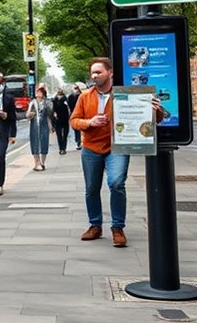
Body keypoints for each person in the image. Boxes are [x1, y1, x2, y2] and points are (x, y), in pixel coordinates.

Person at [70, 58, 165, 248]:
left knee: (116, 183)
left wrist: (156, 109)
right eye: (93, 72)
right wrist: (89, 122)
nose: (94, 75)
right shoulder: (85, 96)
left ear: (110, 73)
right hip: (91, 148)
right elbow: (74, 121)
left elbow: (156, 119)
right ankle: (95, 225)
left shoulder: (125, 94)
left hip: (117, 147)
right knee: (91, 188)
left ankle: (117, 228)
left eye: (98, 72)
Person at [27, 85, 53, 171]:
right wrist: (30, 114)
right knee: (35, 143)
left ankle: (42, 163)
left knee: (44, 143)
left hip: (44, 125)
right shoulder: (32, 102)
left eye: (39, 92)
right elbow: (27, 114)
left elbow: (49, 115)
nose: (37, 94)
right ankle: (36, 163)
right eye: (37, 92)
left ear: (43, 94)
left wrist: (51, 127)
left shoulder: (47, 103)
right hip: (34, 126)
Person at [52, 88, 71, 155]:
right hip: (62, 119)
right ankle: (62, 148)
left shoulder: (64, 99)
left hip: (61, 119)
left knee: (61, 135)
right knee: (62, 135)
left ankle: (62, 148)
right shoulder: (56, 100)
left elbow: (53, 110)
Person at [68, 83, 83, 149]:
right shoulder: (80, 95)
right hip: (77, 113)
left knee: (77, 128)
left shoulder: (80, 95)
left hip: (76, 113)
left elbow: (68, 106)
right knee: (78, 128)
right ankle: (78, 141)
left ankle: (78, 141)